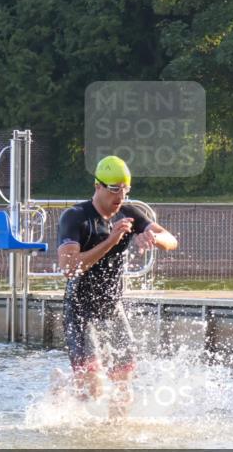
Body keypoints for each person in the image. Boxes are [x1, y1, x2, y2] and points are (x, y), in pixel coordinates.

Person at [57, 156, 178, 419]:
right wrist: (111, 241)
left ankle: (115, 438)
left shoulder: (130, 213)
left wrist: (153, 236)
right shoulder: (76, 217)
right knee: (93, 388)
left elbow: (172, 241)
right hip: (79, 310)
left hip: (112, 308)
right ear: (97, 186)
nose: (120, 195)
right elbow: (69, 268)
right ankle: (62, 387)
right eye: (114, 189)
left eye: (125, 189)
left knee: (124, 380)